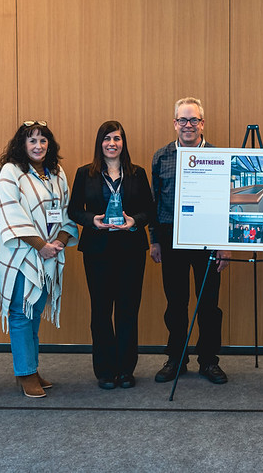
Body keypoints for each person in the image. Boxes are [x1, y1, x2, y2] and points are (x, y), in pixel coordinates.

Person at [68, 121, 155, 390]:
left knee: (128, 310)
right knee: (102, 311)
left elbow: (149, 210)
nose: (112, 144)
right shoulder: (86, 173)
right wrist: (92, 220)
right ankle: (105, 370)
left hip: (130, 250)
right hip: (97, 251)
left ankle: (126, 369)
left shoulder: (137, 173)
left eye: (117, 138)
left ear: (123, 143)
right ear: (100, 143)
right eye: (107, 139)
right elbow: (73, 210)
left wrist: (134, 221)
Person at [0, 121, 78, 398]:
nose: (38, 146)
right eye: (32, 141)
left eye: (43, 140)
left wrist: (60, 242)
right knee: (21, 313)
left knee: (33, 315)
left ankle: (31, 367)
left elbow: (68, 212)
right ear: (22, 145)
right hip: (23, 255)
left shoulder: (56, 173)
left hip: (50, 255)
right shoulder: (11, 172)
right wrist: (40, 245)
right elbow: (9, 212)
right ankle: (25, 373)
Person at [149, 97, 230, 384]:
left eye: (193, 120)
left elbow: (226, 204)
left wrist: (224, 244)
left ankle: (209, 361)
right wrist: (155, 240)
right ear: (175, 123)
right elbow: (155, 203)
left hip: (208, 238)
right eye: (182, 120)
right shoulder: (161, 156)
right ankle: (176, 358)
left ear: (202, 123)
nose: (188, 125)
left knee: (209, 304)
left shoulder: (219, 155)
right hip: (172, 238)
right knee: (176, 302)